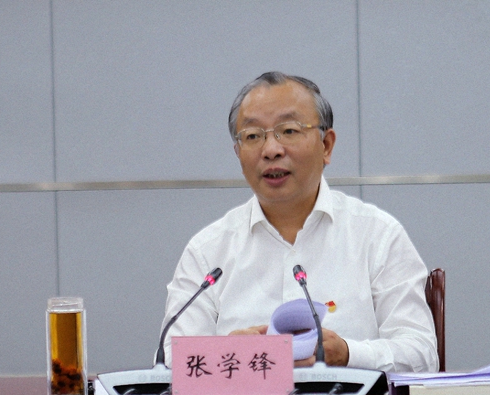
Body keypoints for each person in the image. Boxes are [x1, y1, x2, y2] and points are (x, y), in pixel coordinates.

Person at [160, 71, 438, 373]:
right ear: (238, 154)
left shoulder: (377, 236)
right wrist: (227, 353)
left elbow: (421, 355)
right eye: (252, 136)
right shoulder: (208, 252)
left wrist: (348, 354)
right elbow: (171, 362)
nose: (271, 150)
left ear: (326, 146)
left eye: (289, 131)